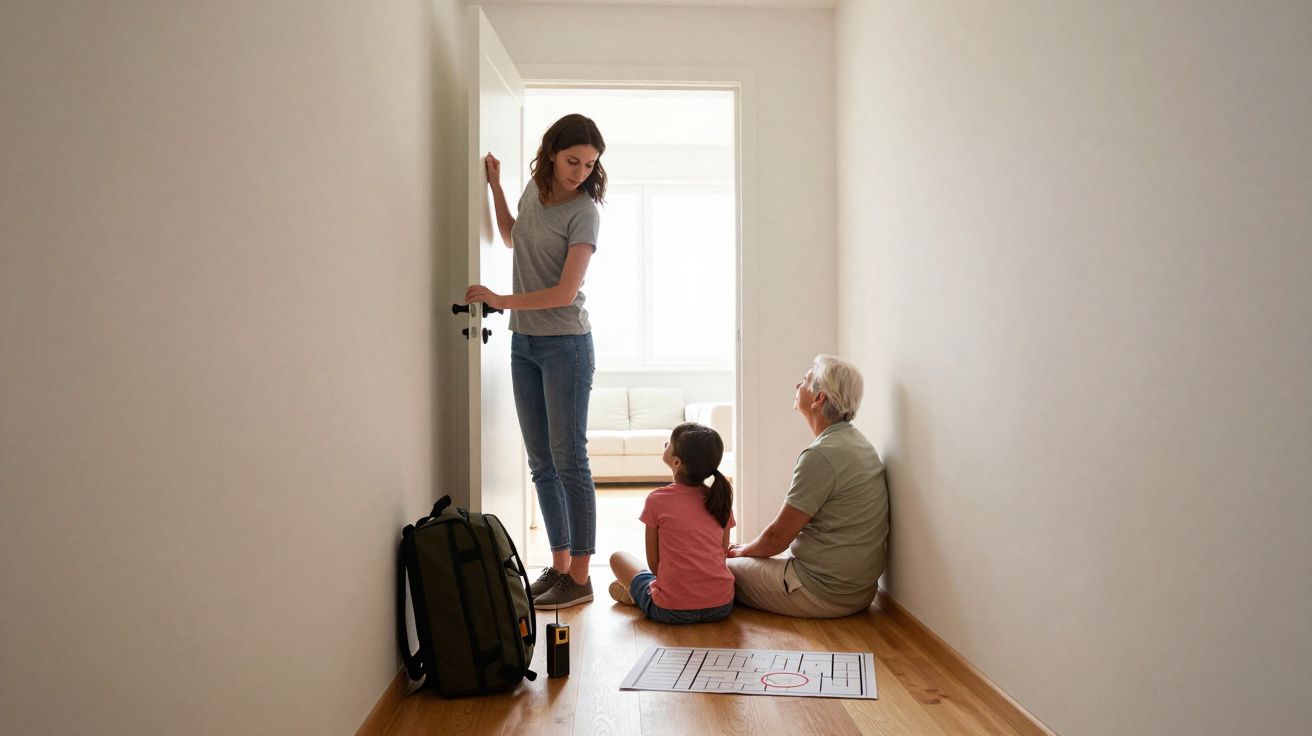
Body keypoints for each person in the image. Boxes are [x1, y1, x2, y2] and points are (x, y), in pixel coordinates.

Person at [465, 114, 607, 609]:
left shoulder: (585, 212)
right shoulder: (533, 189)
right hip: (523, 342)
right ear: (551, 153)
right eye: (573, 161)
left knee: (571, 460)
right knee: (542, 462)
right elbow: (511, 236)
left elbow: (566, 293)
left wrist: (500, 300)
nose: (580, 172)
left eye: (589, 165)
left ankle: (583, 577)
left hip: (565, 344)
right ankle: (561, 566)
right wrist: (496, 186)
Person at [727, 355, 889, 618]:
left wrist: (743, 551)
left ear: (818, 398)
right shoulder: (857, 443)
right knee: (740, 555)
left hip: (823, 593)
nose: (797, 386)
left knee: (714, 567)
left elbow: (777, 538)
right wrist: (747, 550)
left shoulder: (821, 455)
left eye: (804, 380)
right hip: (858, 591)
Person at [608, 422, 736, 624]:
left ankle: (636, 594)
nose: (666, 444)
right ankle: (637, 593)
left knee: (618, 558)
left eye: (669, 443)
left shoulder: (657, 500)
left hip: (671, 610)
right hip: (721, 606)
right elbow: (722, 554)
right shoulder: (720, 500)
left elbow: (655, 567)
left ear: (677, 462)